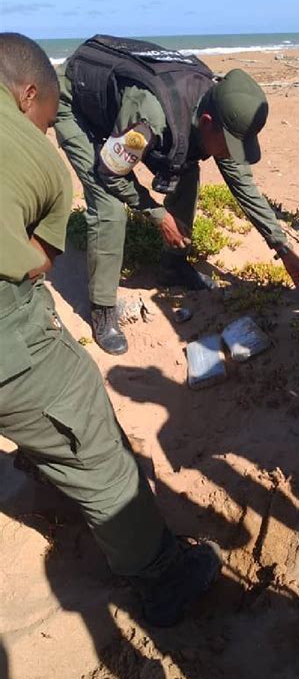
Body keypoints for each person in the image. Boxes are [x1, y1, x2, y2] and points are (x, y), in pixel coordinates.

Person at [0, 32, 222, 627]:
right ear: (28, 96)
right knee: (89, 429)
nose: (45, 130)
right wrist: (152, 211)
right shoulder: (47, 152)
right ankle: (163, 577)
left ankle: (35, 448)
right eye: (43, 119)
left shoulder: (202, 101)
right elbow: (41, 257)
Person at [55, 34, 299, 354]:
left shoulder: (217, 107)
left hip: (124, 111)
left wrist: (282, 247)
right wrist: (158, 215)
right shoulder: (151, 118)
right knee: (109, 207)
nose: (230, 154)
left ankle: (172, 267)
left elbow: (244, 186)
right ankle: (102, 309)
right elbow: (111, 172)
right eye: (229, 145)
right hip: (76, 103)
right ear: (207, 123)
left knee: (187, 171)